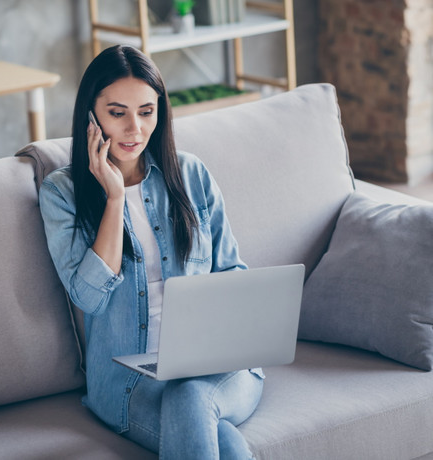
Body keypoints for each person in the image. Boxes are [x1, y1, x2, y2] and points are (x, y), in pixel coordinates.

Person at [38, 44, 264, 459]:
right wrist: (114, 199)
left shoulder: (190, 174)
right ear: (90, 115)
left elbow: (232, 271)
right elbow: (88, 297)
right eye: (117, 112)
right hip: (130, 383)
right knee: (222, 439)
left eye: (146, 111)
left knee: (193, 396)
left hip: (217, 368)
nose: (135, 129)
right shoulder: (61, 193)